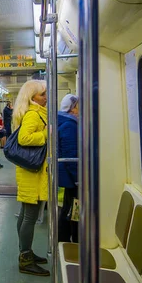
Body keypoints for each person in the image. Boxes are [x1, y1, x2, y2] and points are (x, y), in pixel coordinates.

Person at [13, 79, 49, 276]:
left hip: (29, 170)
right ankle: (25, 259)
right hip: (32, 172)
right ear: (32, 97)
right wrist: (46, 134)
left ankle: (25, 252)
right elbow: (24, 139)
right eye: (43, 94)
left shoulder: (33, 113)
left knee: (25, 213)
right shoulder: (33, 115)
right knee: (30, 216)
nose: (45, 97)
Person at [57, 94, 79, 243]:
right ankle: (70, 239)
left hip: (70, 176)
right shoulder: (70, 125)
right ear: (72, 109)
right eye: (78, 106)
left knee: (69, 207)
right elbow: (71, 155)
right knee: (73, 209)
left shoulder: (67, 122)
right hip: (72, 177)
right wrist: (78, 178)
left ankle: (65, 238)